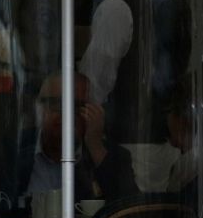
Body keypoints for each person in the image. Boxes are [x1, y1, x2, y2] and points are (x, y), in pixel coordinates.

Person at [79, 0, 191, 191]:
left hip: (127, 146)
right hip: (167, 145)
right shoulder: (175, 2)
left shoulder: (116, 7)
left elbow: (95, 81)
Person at [19, 72, 139, 206]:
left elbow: (131, 212)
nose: (66, 114)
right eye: (56, 103)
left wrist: (95, 146)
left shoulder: (108, 156)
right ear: (39, 106)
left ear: (93, 112)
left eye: (76, 106)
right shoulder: (15, 150)